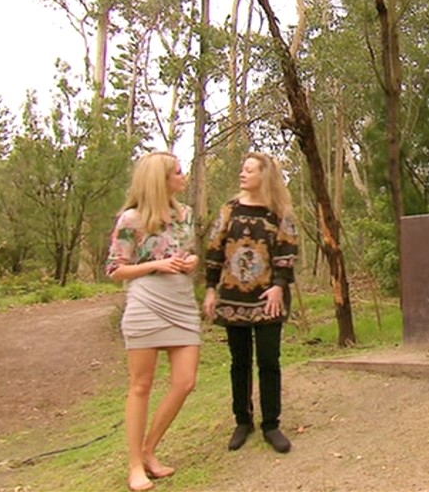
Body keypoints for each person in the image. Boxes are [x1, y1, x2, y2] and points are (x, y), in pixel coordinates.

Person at [105, 151, 202, 492]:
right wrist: (155, 265)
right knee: (141, 385)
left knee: (185, 381)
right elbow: (115, 269)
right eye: (177, 172)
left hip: (182, 303)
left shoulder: (185, 214)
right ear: (159, 180)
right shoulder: (131, 219)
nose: (183, 176)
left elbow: (187, 252)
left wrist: (191, 261)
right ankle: (135, 464)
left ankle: (149, 449)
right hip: (146, 303)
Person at [204, 152, 298, 453]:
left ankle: (271, 424)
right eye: (242, 169)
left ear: (263, 176)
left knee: (269, 361)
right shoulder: (229, 210)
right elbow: (214, 249)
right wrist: (210, 288)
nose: (242, 174)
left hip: (268, 298)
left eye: (249, 170)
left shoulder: (278, 212)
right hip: (234, 297)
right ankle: (242, 421)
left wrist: (279, 286)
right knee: (240, 362)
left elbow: (287, 252)